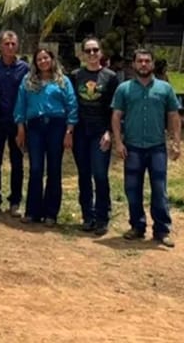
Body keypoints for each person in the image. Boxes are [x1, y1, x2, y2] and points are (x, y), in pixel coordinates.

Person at [112, 49, 181, 248]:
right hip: (132, 148)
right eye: (140, 61)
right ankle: (137, 226)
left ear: (152, 64)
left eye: (147, 61)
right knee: (132, 190)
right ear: (133, 65)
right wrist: (118, 142)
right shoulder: (124, 89)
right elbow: (116, 116)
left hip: (156, 148)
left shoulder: (165, 88)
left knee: (160, 190)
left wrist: (176, 142)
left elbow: (174, 116)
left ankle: (161, 230)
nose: (143, 64)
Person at [14, 48, 78, 226]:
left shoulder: (63, 81)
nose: (43, 61)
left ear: (52, 59)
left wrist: (69, 131)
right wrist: (20, 128)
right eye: (39, 59)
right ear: (35, 62)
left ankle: (51, 213)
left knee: (54, 169)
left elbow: (72, 105)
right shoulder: (28, 81)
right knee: (35, 169)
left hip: (57, 126)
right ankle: (32, 211)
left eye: (46, 58)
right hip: (35, 127)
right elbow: (21, 105)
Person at [72, 36, 119, 235]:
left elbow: (115, 109)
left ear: (101, 53)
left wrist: (110, 132)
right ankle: (87, 216)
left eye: (95, 50)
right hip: (81, 133)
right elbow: (71, 104)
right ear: (82, 54)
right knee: (83, 174)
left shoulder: (110, 77)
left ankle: (102, 217)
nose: (92, 54)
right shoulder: (75, 76)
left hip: (101, 133)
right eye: (88, 50)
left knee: (99, 174)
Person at [0, 30, 30, 217]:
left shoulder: (25, 69)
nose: (10, 47)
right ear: (0, 46)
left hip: (17, 123)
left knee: (17, 163)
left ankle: (15, 201)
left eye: (13, 44)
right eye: (7, 43)